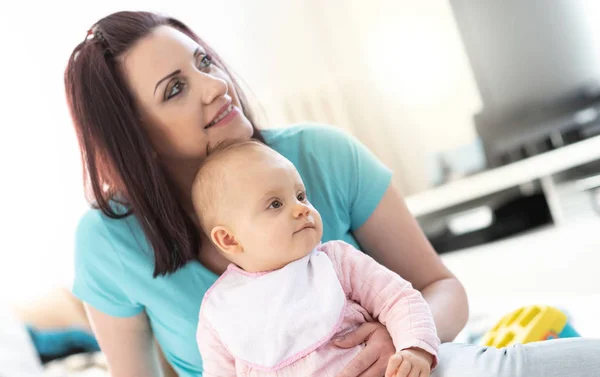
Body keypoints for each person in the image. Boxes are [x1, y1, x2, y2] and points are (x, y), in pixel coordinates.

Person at [64, 10, 600, 377]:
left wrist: (400, 343)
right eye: (175, 89)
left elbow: (441, 287)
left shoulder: (322, 154)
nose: (215, 86)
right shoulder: (108, 243)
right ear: (136, 138)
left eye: (204, 62)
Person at [192, 140, 439, 377]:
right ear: (229, 239)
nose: (302, 208)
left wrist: (414, 349)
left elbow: (399, 299)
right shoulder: (219, 311)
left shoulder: (338, 262)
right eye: (275, 204)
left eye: (300, 196)